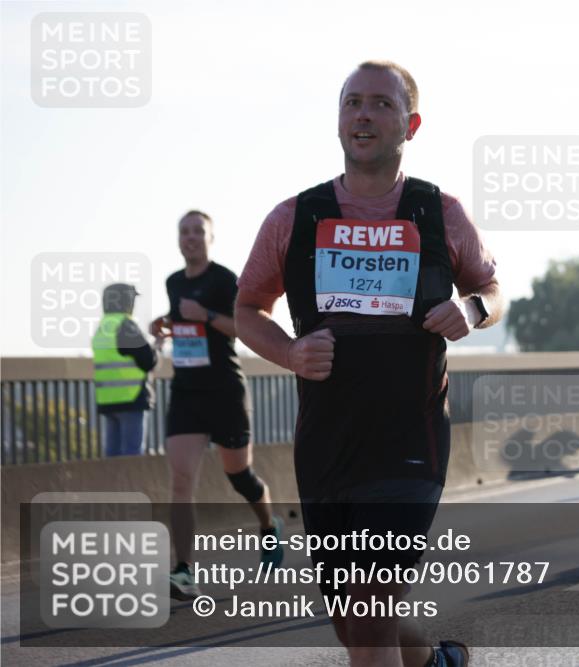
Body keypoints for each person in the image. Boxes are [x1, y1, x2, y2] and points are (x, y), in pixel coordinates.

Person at [235, 61, 501, 667]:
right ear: (337, 119)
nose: (362, 113)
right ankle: (435, 661)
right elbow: (247, 309)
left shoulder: (440, 212)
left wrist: (473, 308)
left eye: (380, 103)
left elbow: (490, 288)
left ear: (411, 123)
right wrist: (290, 352)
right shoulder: (293, 218)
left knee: (371, 610)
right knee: (353, 623)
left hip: (411, 441)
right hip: (327, 443)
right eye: (351, 101)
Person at [150, 210, 283, 601]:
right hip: (187, 392)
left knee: (239, 476)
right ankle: (183, 570)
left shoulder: (226, 280)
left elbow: (243, 326)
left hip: (225, 389)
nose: (190, 238)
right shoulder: (173, 281)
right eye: (184, 232)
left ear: (210, 238)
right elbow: (185, 321)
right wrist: (168, 321)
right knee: (180, 482)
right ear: (178, 239)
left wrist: (205, 315)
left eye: (198, 232)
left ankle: (269, 526)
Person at [91, 283, 158, 457]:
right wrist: (157, 346)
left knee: (112, 456)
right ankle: (131, 486)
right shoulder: (125, 325)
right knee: (132, 456)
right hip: (132, 397)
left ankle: (110, 485)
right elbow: (147, 361)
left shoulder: (103, 326)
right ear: (126, 301)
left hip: (108, 400)